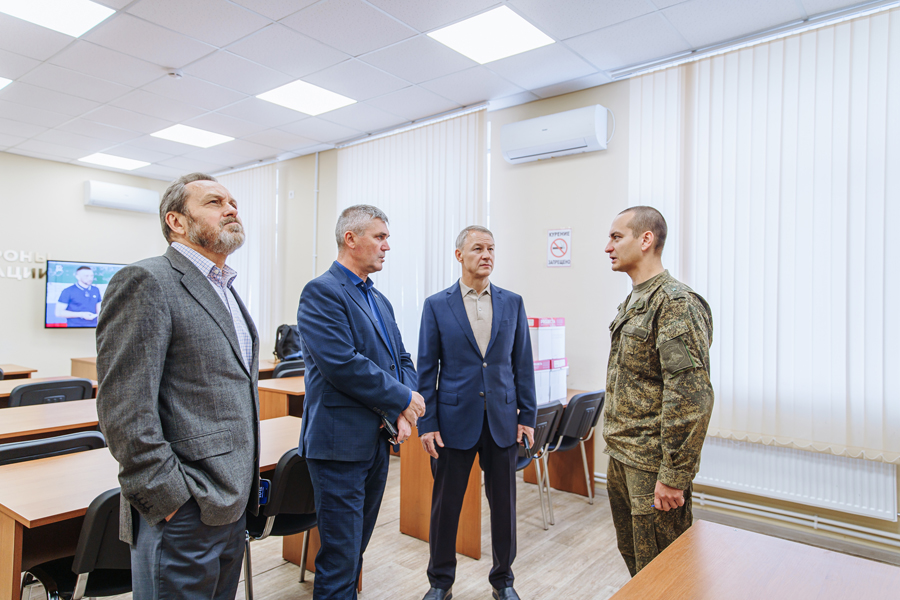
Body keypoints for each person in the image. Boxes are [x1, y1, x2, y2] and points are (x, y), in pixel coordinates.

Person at [96, 173, 260, 600]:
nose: (231, 209)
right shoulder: (146, 280)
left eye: (233, 202)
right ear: (177, 221)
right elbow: (124, 410)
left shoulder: (225, 288)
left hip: (231, 502)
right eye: (214, 202)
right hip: (184, 509)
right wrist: (170, 500)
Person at [297, 204, 426, 600]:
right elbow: (343, 364)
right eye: (380, 237)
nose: (387, 246)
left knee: (355, 553)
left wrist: (402, 410)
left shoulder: (379, 300)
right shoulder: (322, 291)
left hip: (375, 441)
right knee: (340, 558)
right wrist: (403, 398)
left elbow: (401, 359)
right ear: (350, 239)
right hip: (338, 446)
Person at [417, 225, 537, 600]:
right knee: (445, 508)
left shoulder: (512, 302)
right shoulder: (437, 305)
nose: (486, 255)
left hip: (502, 420)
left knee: (504, 508)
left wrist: (527, 417)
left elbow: (523, 365)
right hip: (454, 422)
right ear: (459, 255)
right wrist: (427, 423)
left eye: (491, 249)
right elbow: (426, 370)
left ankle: (503, 581)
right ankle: (440, 582)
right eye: (478, 248)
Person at [603, 205, 714, 576]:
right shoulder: (636, 300)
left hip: (651, 467)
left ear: (645, 239)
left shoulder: (675, 303)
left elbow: (691, 398)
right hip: (622, 455)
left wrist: (673, 476)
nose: (608, 247)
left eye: (616, 237)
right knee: (636, 563)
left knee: (663, 574)